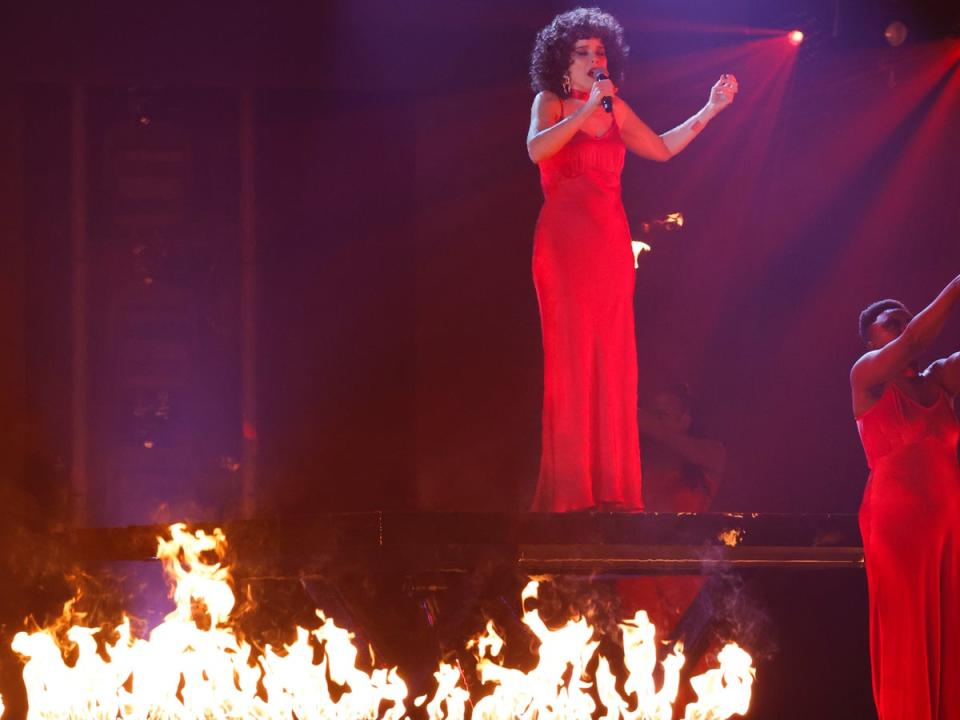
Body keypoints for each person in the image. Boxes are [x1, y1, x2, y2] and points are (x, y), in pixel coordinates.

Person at [526, 7, 738, 512]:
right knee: (573, 359)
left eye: (600, 52)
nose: (595, 59)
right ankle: (571, 492)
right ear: (563, 61)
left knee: (613, 356)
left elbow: (662, 148)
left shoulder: (615, 108)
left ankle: (612, 489)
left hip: (609, 244)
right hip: (565, 242)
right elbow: (537, 150)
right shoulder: (552, 101)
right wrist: (586, 109)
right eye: (583, 52)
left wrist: (709, 109)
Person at [850, 276, 960, 719]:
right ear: (871, 339)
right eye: (891, 321)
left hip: (948, 527)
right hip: (897, 524)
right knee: (908, 636)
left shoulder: (940, 380)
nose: (905, 323)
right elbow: (917, 338)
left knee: (951, 636)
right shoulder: (867, 375)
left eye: (906, 317)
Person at [637, 383, 726, 512]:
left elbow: (662, 433)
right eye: (652, 415)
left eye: (661, 415)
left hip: (688, 532)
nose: (654, 421)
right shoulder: (645, 457)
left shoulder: (713, 453)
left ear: (687, 417)